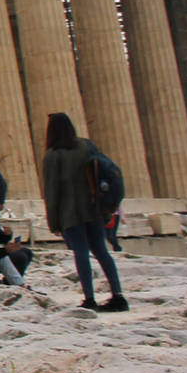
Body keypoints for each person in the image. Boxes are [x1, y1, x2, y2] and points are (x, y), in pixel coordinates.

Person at [40, 112, 128, 312]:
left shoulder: (53, 155)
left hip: (69, 212)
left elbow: (52, 191)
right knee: (102, 251)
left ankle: (89, 298)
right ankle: (118, 295)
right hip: (93, 208)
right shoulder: (86, 146)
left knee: (80, 253)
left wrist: (53, 222)